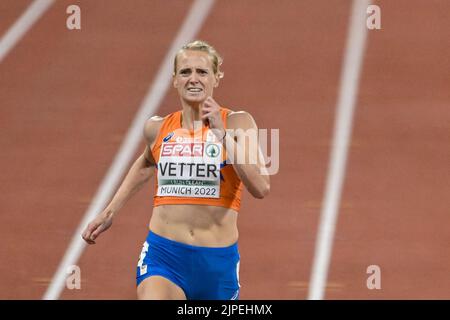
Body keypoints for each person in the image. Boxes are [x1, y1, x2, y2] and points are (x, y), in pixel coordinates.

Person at [81, 40, 270, 300]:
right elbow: (147, 161)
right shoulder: (157, 128)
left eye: (202, 72)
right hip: (164, 256)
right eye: (185, 72)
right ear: (174, 79)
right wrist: (109, 211)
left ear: (217, 77)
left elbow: (261, 187)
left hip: (216, 264)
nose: (193, 79)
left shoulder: (239, 122)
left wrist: (221, 134)